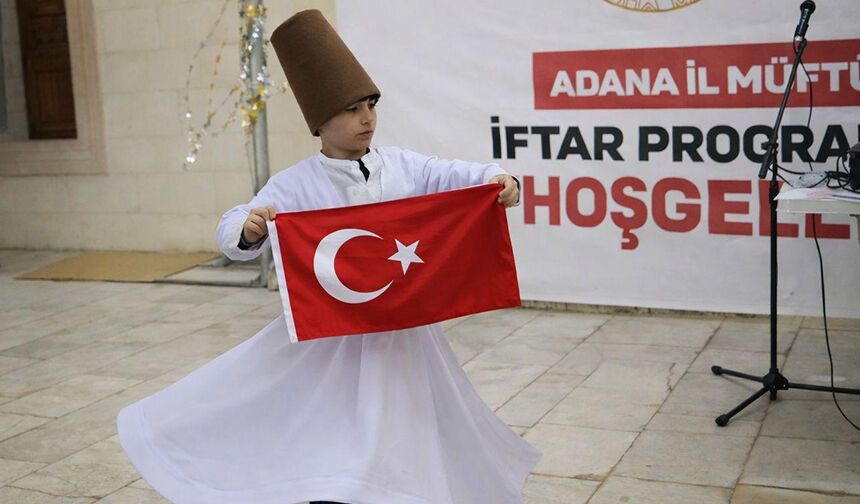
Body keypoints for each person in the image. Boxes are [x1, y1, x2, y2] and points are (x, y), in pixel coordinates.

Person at [116, 9, 540, 504]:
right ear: (320, 121)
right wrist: (248, 230)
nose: (367, 119)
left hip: (403, 334)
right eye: (352, 109)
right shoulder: (298, 184)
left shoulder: (403, 165)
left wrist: (498, 180)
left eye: (371, 106)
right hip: (331, 342)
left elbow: (456, 176)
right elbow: (235, 226)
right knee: (336, 428)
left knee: (407, 425)